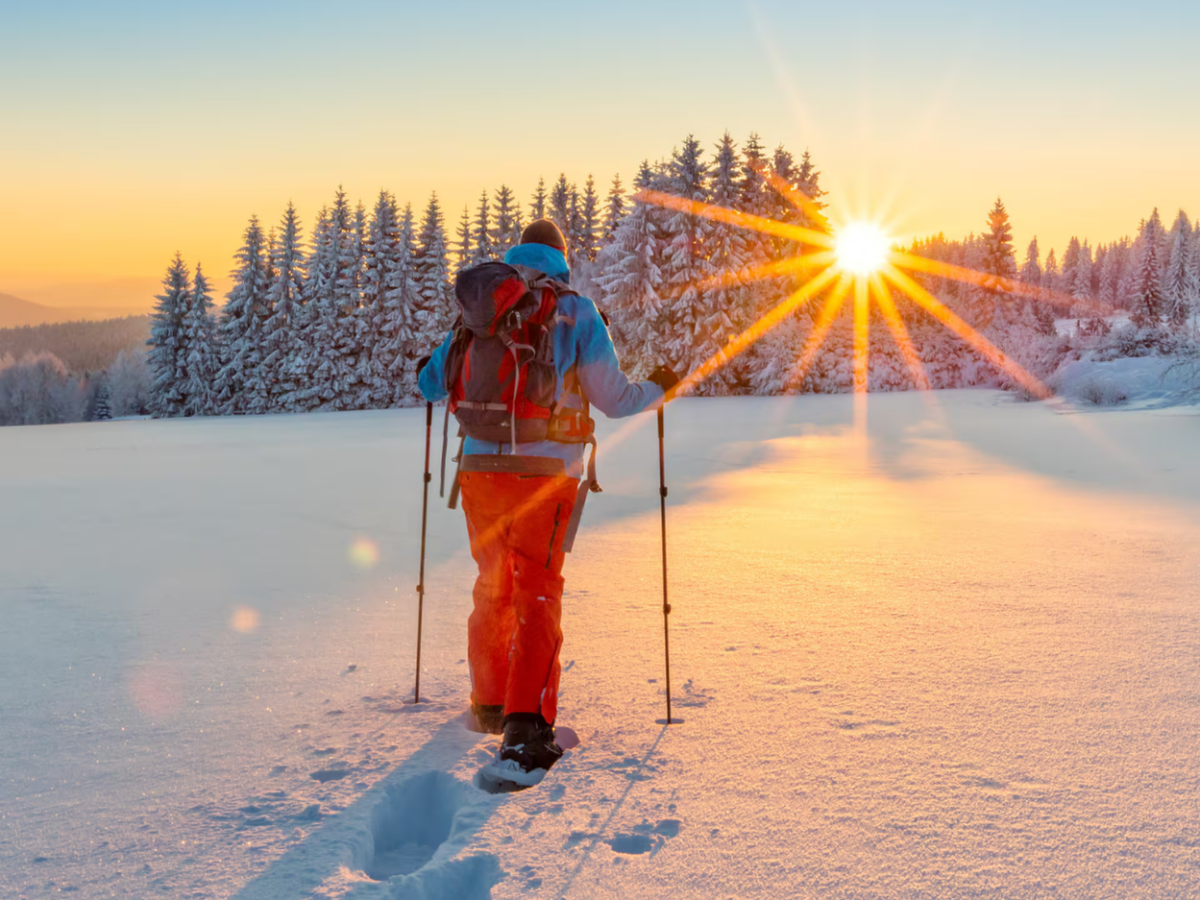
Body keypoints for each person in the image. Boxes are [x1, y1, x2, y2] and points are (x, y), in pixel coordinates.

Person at [418, 219, 677, 785]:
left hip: (478, 474)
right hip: (544, 474)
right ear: (561, 259)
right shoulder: (575, 311)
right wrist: (661, 386)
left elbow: (431, 384)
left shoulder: (481, 307)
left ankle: (490, 704)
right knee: (537, 589)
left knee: (493, 582)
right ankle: (526, 732)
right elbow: (614, 400)